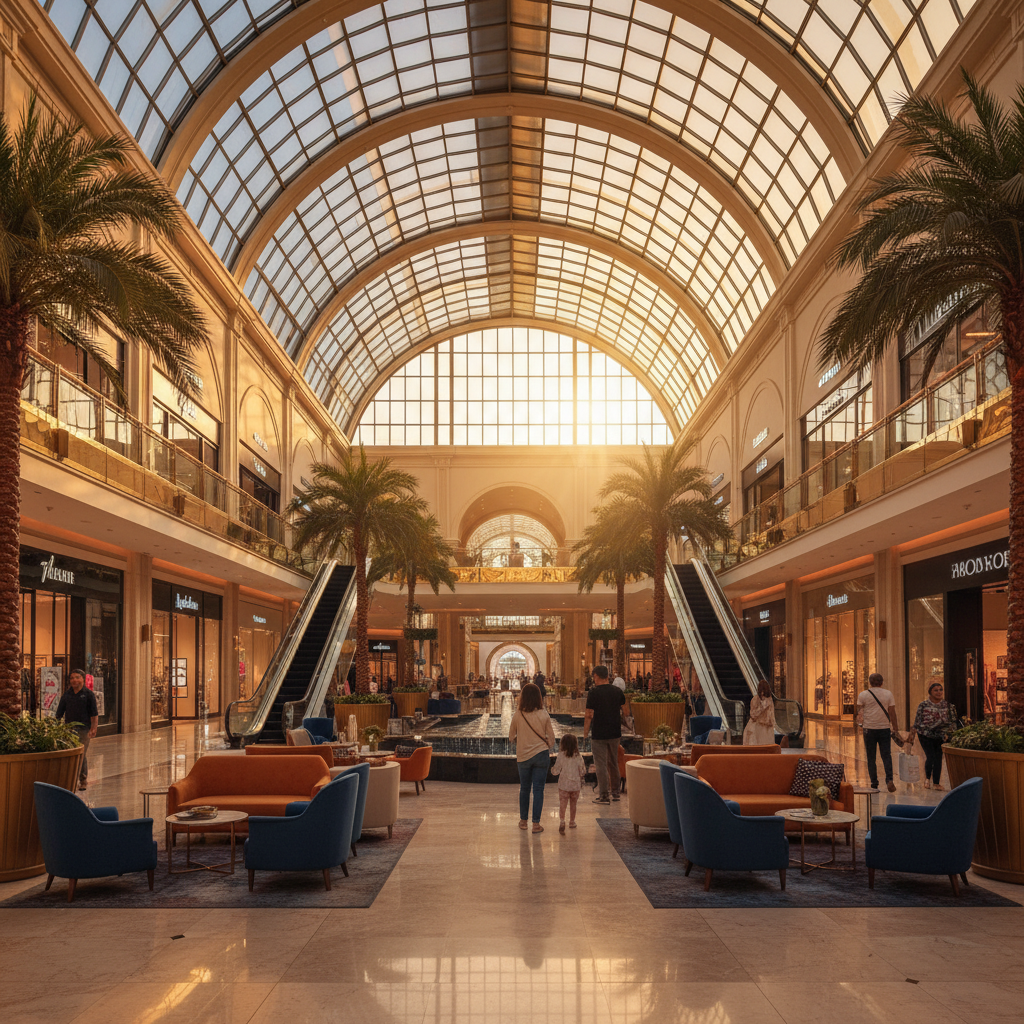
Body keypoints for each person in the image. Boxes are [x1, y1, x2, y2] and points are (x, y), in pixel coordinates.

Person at [508, 682, 556, 833]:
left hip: (523, 756)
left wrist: (522, 739)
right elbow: (552, 739)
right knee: (538, 790)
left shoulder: (518, 714)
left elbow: (511, 736)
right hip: (541, 755)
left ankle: (523, 821)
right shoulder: (544, 714)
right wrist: (545, 745)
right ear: (538, 697)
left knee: (524, 788)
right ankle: (536, 824)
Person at [583, 665, 627, 804]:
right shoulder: (617, 691)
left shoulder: (593, 692)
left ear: (596, 676)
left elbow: (588, 715)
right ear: (608, 676)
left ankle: (604, 795)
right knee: (613, 762)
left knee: (600, 764)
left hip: (599, 733)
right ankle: (616, 793)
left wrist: (585, 734)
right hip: (615, 733)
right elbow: (626, 712)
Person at [856, 672, 903, 792]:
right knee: (886, 755)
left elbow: (859, 712)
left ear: (870, 682)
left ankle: (874, 783)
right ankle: (889, 779)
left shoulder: (863, 694)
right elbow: (892, 712)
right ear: (882, 683)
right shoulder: (888, 694)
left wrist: (860, 724)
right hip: (884, 729)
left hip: (869, 729)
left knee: (871, 757)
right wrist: (895, 728)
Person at [906, 682, 958, 790]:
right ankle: (927, 779)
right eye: (936, 690)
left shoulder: (948, 706)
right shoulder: (923, 705)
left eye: (940, 690)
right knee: (930, 756)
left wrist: (951, 734)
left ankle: (936, 782)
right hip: (925, 735)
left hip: (941, 736)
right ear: (930, 692)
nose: (939, 692)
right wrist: (912, 735)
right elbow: (917, 721)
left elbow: (953, 722)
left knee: (938, 757)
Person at [54, 669, 98, 791]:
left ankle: (83, 780)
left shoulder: (88, 694)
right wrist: (56, 727)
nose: (74, 680)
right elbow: (59, 713)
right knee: (70, 754)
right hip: (69, 729)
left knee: (81, 754)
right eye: (72, 678)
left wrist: (94, 728)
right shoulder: (67, 695)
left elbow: (94, 713)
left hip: (84, 729)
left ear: (83, 679)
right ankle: (70, 780)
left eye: (77, 677)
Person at [551, 732, 586, 834]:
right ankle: (572, 821)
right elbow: (582, 771)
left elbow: (556, 770)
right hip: (575, 786)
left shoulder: (561, 755)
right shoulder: (578, 756)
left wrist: (552, 770)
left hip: (563, 785)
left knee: (563, 803)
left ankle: (562, 821)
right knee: (573, 804)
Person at [742, 680, 776, 744]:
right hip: (765, 729)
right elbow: (771, 716)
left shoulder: (757, 699)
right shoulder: (769, 700)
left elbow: (753, 715)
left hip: (758, 727)